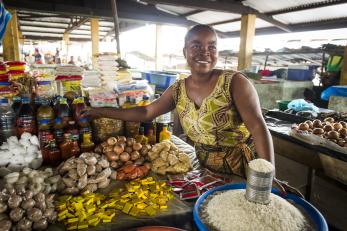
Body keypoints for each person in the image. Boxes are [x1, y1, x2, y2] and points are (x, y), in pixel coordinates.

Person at [83, 24, 301, 195]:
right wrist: (101, 111)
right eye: (196, 45)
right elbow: (146, 113)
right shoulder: (178, 89)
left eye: (211, 46)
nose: (204, 52)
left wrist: (268, 175)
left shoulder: (234, 83)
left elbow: (258, 127)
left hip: (244, 164)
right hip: (207, 166)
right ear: (185, 51)